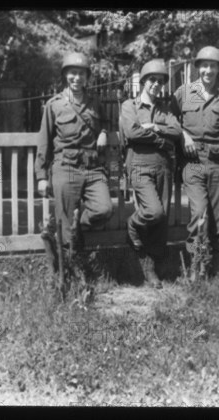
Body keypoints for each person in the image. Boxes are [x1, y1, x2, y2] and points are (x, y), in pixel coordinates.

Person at [35, 52, 113, 265]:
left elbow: (104, 123)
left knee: (104, 209)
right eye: (72, 73)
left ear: (87, 77)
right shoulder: (54, 105)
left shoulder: (95, 102)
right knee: (65, 225)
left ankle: (77, 224)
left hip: (93, 168)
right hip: (66, 166)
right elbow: (44, 142)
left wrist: (104, 132)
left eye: (81, 74)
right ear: (65, 75)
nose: (76, 78)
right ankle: (70, 268)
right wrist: (41, 176)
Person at [171, 46, 219, 281]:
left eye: (213, 66)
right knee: (199, 214)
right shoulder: (183, 93)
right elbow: (169, 120)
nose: (208, 70)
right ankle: (196, 266)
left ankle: (216, 266)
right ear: (198, 67)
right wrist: (183, 135)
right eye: (204, 65)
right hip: (194, 162)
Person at [119, 59, 182, 288]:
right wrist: (161, 141)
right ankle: (133, 225)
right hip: (139, 166)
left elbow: (176, 130)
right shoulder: (130, 106)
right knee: (153, 212)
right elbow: (133, 132)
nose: (156, 84)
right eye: (152, 80)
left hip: (163, 167)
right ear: (144, 81)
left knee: (161, 219)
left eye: (160, 80)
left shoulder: (165, 108)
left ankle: (150, 266)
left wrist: (156, 128)